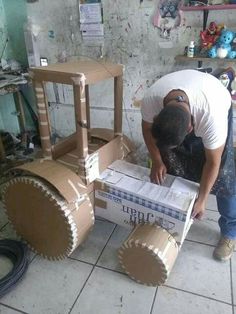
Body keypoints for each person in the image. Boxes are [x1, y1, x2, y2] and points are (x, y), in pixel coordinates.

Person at [141, 69, 236, 262]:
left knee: (225, 179)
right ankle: (176, 217)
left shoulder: (211, 118)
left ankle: (230, 231)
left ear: (191, 128)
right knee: (175, 166)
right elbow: (146, 129)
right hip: (188, 102)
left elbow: (213, 162)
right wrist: (157, 161)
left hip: (214, 98)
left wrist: (202, 199)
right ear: (157, 116)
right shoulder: (151, 100)